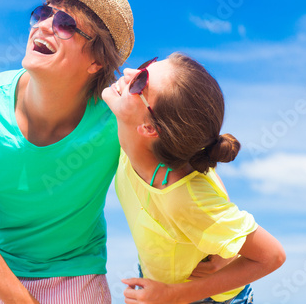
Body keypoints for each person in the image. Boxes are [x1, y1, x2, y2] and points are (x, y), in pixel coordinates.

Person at [0, 0, 135, 303]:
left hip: (77, 271)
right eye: (42, 14)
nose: (42, 26)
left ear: (96, 61)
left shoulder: (116, 119)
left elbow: (176, 160)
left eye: (65, 24)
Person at [101, 53, 286, 304]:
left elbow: (273, 256)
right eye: (146, 66)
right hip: (162, 283)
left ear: (150, 128)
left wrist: (173, 295)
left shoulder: (184, 195)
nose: (129, 72)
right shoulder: (133, 140)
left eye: (140, 82)